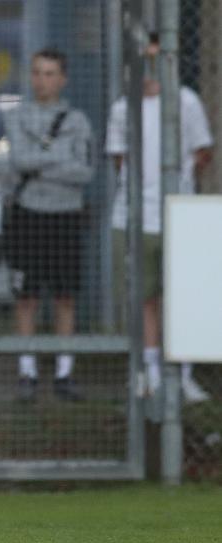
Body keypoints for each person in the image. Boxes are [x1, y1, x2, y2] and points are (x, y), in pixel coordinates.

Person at [106, 33, 214, 404]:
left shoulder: (186, 101)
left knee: (181, 299)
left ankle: (181, 376)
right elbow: (119, 158)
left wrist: (179, 180)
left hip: (178, 217)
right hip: (134, 217)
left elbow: (203, 152)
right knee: (143, 298)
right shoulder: (123, 107)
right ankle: (148, 374)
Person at [3, 48, 95, 402]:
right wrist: (59, 159)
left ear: (63, 78)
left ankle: (64, 372)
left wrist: (39, 163)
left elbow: (84, 172)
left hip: (66, 216)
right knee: (26, 297)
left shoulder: (78, 120)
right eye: (38, 72)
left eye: (50, 73)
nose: (43, 80)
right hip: (28, 215)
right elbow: (18, 160)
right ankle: (27, 373)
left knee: (64, 296)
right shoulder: (18, 117)